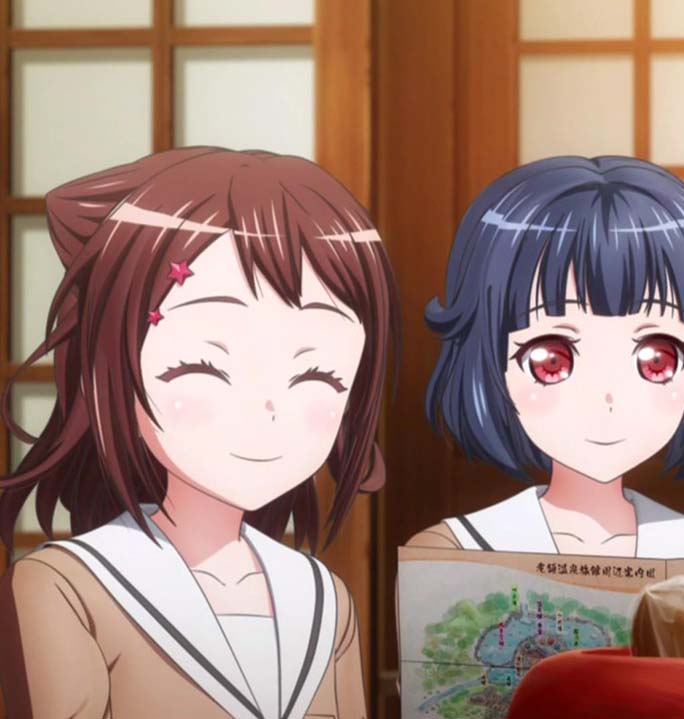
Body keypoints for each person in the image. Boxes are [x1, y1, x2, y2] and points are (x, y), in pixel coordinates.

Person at [0, 147, 401, 719]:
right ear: (112, 368)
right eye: (204, 366)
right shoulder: (67, 585)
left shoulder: (320, 595)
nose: (267, 409)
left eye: (318, 375)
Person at [408, 156, 684, 558]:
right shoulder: (452, 550)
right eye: (551, 360)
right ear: (488, 359)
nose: (607, 397)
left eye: (657, 359)